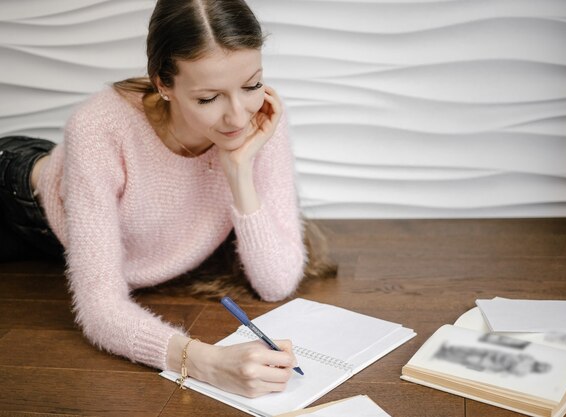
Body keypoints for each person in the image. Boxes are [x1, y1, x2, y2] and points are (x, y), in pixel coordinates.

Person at [0, 0, 334, 398]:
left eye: (251, 85)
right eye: (209, 98)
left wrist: (239, 170)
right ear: (163, 84)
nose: (238, 118)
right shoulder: (99, 127)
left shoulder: (261, 122)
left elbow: (276, 284)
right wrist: (207, 363)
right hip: (20, 205)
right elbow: (100, 310)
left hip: (84, 201)